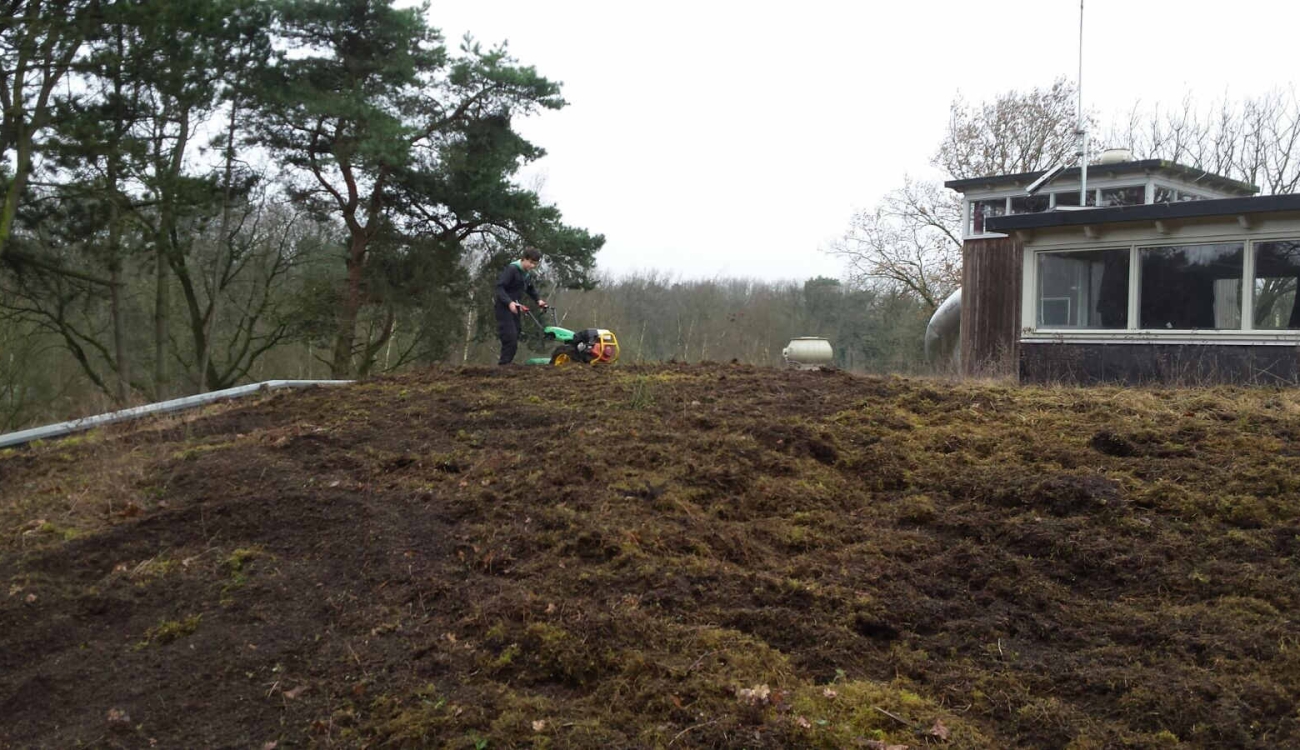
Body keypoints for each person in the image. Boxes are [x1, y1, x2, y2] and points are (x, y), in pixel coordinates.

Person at [494, 247, 547, 365]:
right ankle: (503, 365)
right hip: (504, 307)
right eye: (531, 263)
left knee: (516, 333)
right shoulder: (512, 269)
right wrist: (509, 302)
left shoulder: (526, 274)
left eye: (535, 264)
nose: (533, 266)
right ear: (524, 259)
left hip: (515, 307)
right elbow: (499, 287)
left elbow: (530, 288)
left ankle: (506, 364)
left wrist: (538, 300)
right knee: (510, 337)